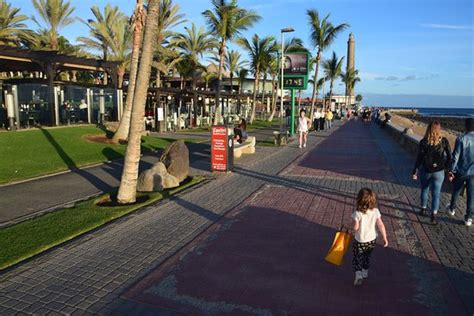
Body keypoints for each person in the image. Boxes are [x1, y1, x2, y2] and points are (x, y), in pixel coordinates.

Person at [412, 121, 452, 224]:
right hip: (439, 172)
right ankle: (434, 215)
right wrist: (446, 168)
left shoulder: (423, 142)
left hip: (426, 170)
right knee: (436, 194)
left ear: (428, 129)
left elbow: (419, 158)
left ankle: (423, 209)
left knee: (424, 190)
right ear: (439, 129)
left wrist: (415, 170)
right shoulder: (444, 141)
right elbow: (450, 157)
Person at [352, 188, 388, 286]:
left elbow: (356, 227)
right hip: (371, 240)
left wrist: (352, 231)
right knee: (367, 256)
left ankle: (358, 274)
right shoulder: (376, 211)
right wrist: (384, 237)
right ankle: (365, 272)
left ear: (359, 199)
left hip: (360, 240)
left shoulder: (357, 213)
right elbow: (381, 225)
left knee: (357, 257)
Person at [447, 118, 473, 226]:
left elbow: (455, 156)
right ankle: (468, 218)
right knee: (472, 196)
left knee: (456, 190)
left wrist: (452, 170)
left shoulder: (461, 138)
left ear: (466, 126)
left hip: (461, 171)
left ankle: (452, 209)